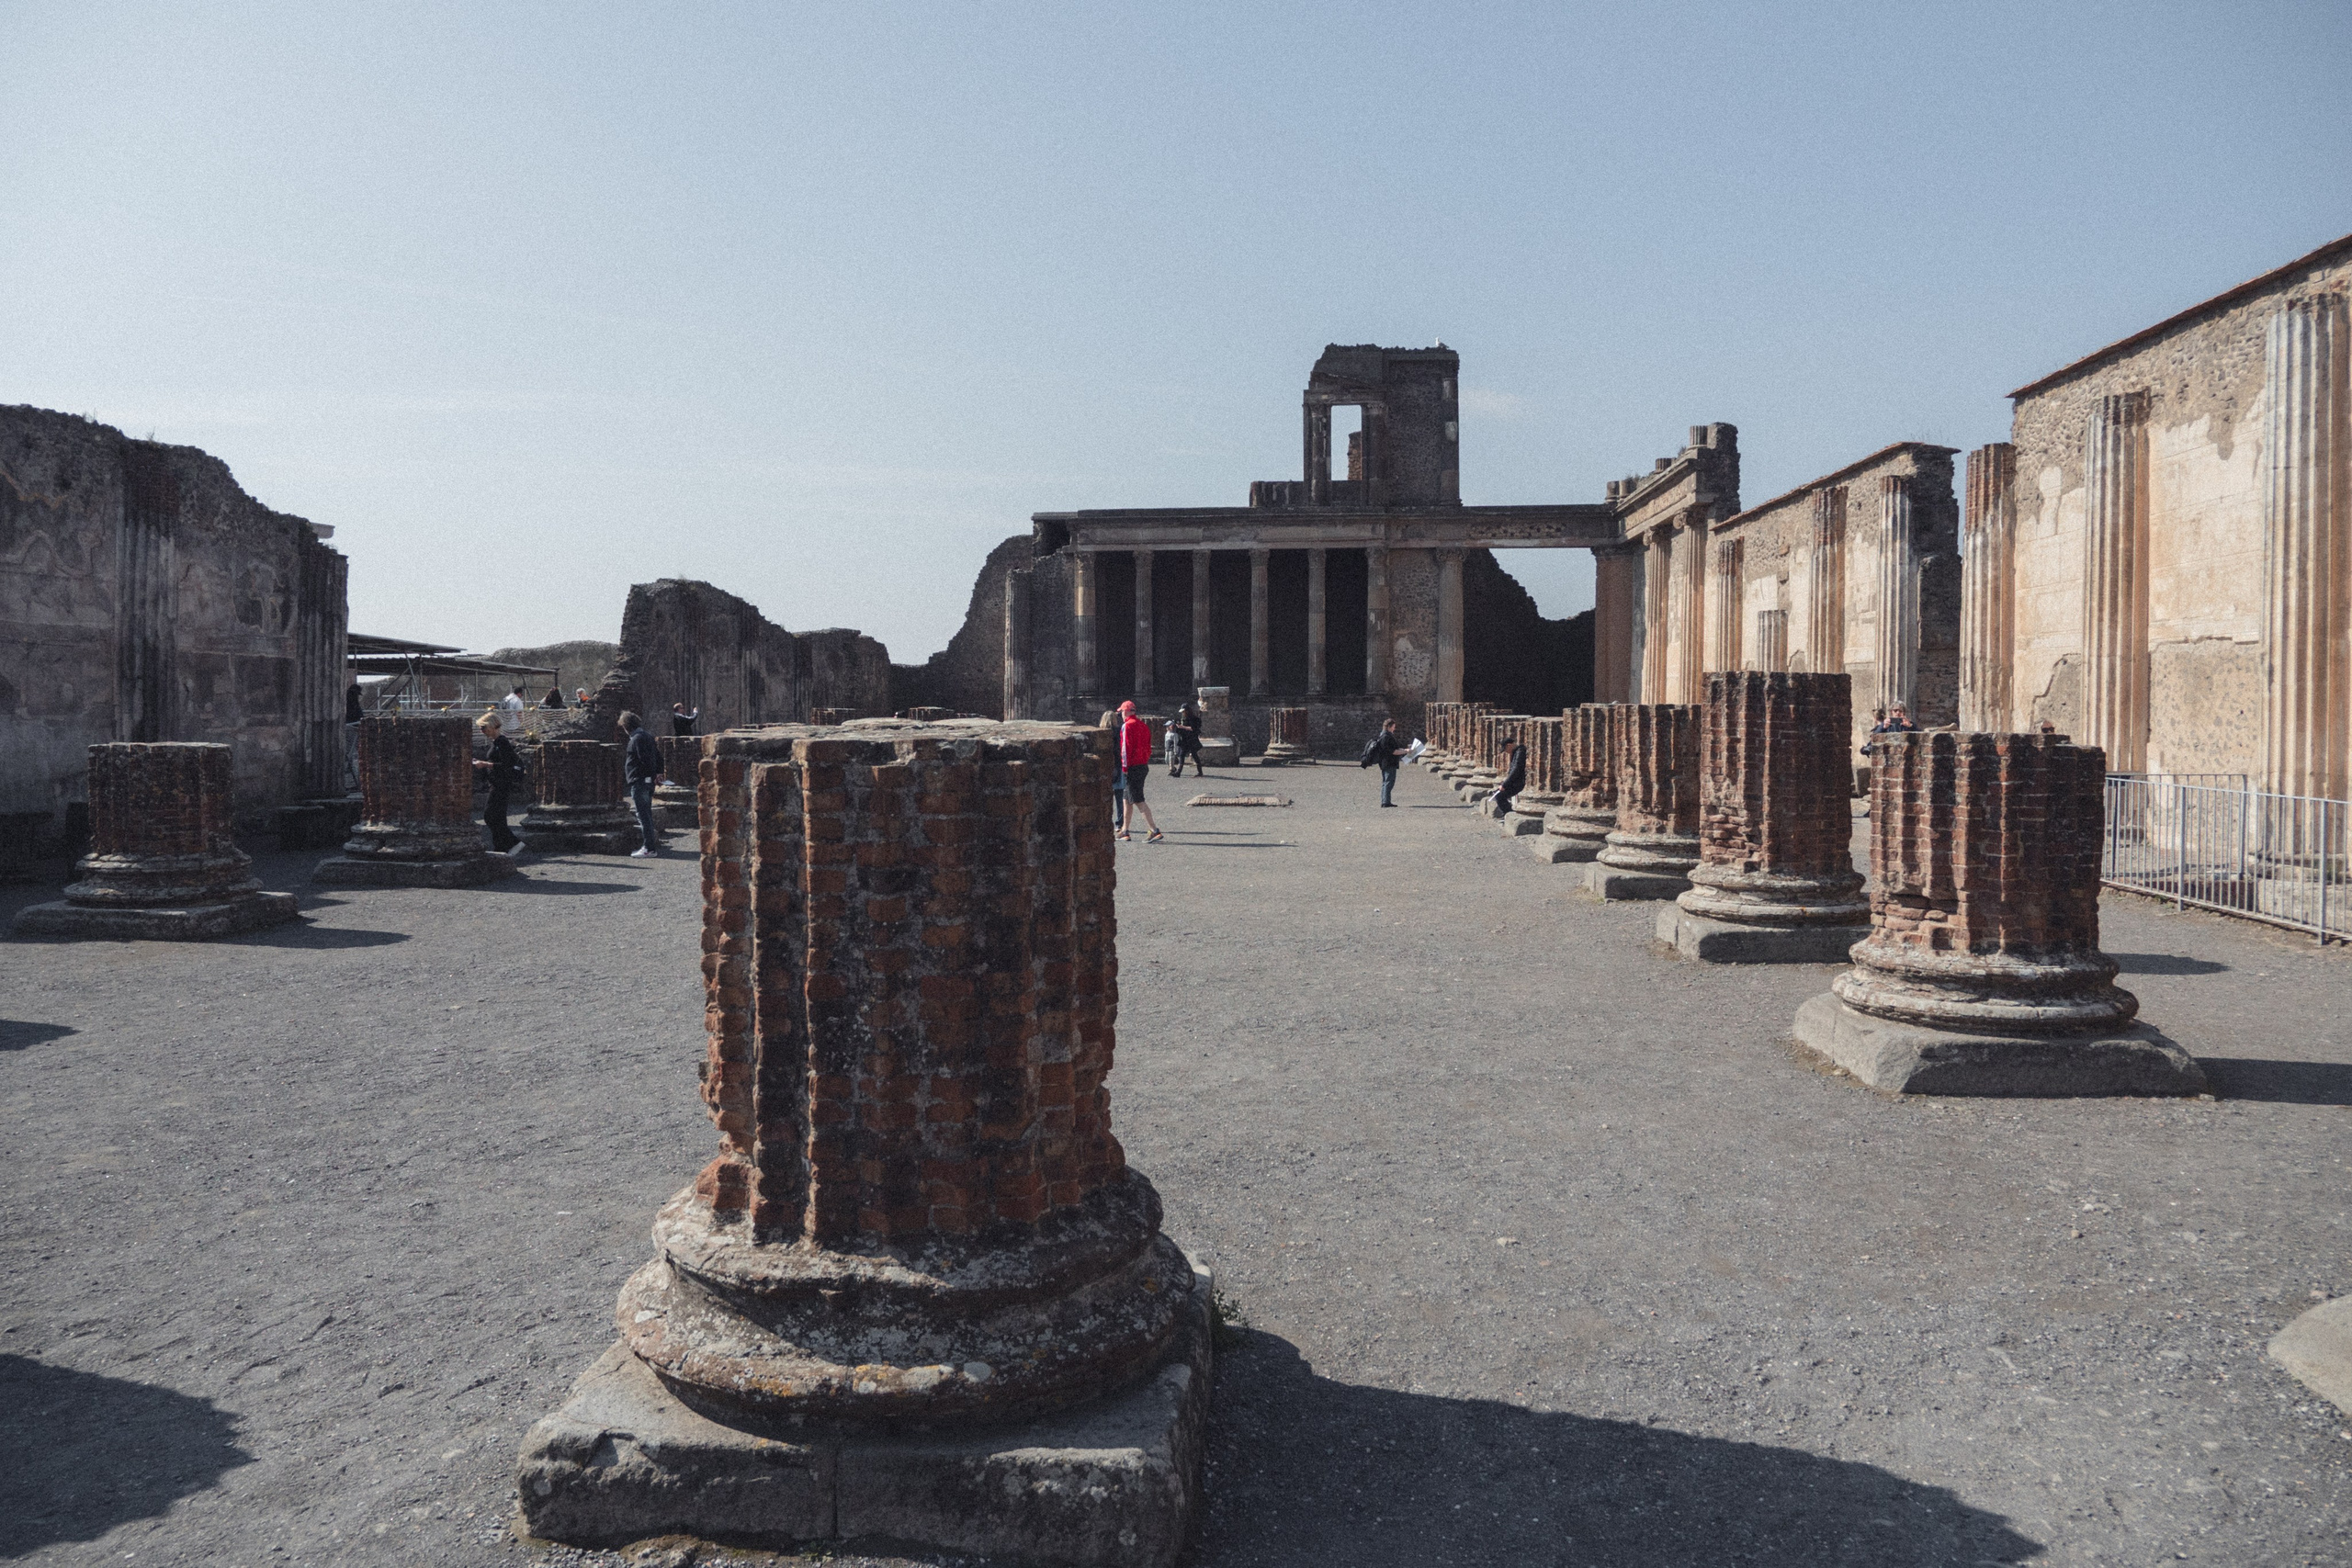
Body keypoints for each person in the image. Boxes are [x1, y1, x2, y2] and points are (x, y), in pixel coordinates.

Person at [472, 712, 526, 853]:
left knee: (491, 815)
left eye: (483, 727)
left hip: (501, 784)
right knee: (496, 817)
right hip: (497, 783)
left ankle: (513, 843)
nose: (481, 731)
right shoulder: (497, 742)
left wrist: (485, 764)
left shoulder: (502, 742)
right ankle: (501, 847)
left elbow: (506, 764)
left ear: (491, 725)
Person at [1115, 700, 1163, 843]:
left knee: (1138, 800)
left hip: (1132, 767)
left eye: (1122, 711)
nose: (1121, 714)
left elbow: (1125, 749)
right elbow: (1149, 746)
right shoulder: (1143, 725)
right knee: (1126, 799)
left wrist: (1125, 768)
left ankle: (1154, 830)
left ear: (1128, 711)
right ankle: (1125, 830)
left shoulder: (1127, 726)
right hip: (1142, 765)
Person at [620, 710, 664, 857]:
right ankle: (649, 846)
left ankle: (649, 848)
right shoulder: (648, 736)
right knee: (647, 814)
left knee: (643, 815)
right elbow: (658, 757)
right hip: (647, 781)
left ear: (626, 726)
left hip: (640, 781)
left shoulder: (637, 739)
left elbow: (644, 759)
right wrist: (657, 774)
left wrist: (651, 775)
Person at [1360, 718, 1410, 807]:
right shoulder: (1386, 737)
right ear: (1389, 727)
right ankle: (1385, 802)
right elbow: (1393, 751)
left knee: (1386, 781)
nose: (1394, 729)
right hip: (1388, 762)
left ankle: (1385, 801)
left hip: (1386, 762)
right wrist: (1406, 752)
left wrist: (1406, 750)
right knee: (1388, 782)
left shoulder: (1383, 735)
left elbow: (1395, 749)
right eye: (1393, 727)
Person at [1101, 707, 1127, 832]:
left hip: (1103, 768)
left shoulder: (1100, 733)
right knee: (1119, 798)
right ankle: (1119, 823)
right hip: (1118, 766)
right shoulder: (1119, 731)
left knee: (1104, 798)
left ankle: (1104, 820)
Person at [1490, 729, 1528, 817]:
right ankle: (1507, 813)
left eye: (1505, 749)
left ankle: (1508, 814)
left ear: (1509, 745)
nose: (1506, 752)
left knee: (1500, 796)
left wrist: (1505, 784)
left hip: (1519, 782)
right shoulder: (1517, 752)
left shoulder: (1520, 752)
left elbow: (1516, 769)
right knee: (1497, 793)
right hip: (1516, 781)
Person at [1170, 702, 1204, 778]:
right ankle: (1178, 772)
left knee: (1194, 755)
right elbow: (1181, 729)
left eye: (1184, 712)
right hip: (1185, 739)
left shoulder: (1194, 719)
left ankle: (1199, 772)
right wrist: (1176, 727)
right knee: (1182, 755)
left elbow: (1193, 728)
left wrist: (1182, 727)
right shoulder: (1183, 719)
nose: (1183, 713)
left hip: (1192, 739)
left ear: (1187, 711)